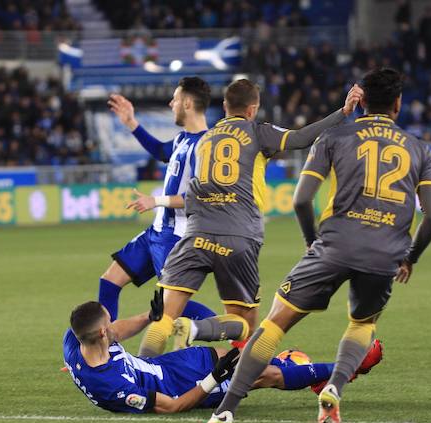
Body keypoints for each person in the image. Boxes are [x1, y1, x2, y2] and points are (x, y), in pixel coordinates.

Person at [204, 67, 431, 423]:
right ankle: (334, 387)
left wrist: (310, 241)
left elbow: (301, 200)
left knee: (275, 322)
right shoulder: (419, 149)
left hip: (333, 245)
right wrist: (410, 258)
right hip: (384, 253)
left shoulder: (333, 137)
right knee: (362, 323)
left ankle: (225, 410)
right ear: (398, 104)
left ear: (360, 101)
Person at [138, 79, 363, 358]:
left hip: (196, 234)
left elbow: (194, 190)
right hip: (239, 236)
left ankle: (144, 376)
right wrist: (343, 112)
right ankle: (195, 330)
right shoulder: (258, 132)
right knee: (244, 323)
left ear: (224, 106)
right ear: (253, 109)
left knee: (162, 318)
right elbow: (301, 138)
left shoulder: (205, 139)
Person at [63, 291, 382, 414]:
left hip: (169, 364)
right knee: (263, 375)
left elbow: (117, 331)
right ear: (100, 333)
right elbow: (173, 407)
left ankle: (294, 365)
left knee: (248, 356)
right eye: (109, 323)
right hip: (182, 388)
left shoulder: (75, 340)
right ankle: (352, 365)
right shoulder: (114, 385)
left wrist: (150, 317)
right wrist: (213, 379)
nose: (114, 326)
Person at [101, 78, 216, 324]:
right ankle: (104, 352)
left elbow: (200, 198)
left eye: (175, 99)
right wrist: (131, 122)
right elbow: (159, 151)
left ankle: (238, 339)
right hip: (157, 231)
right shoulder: (182, 139)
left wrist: (157, 201)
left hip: (176, 236)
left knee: (173, 303)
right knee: (109, 282)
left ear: (186, 103)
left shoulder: (205, 146)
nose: (170, 103)